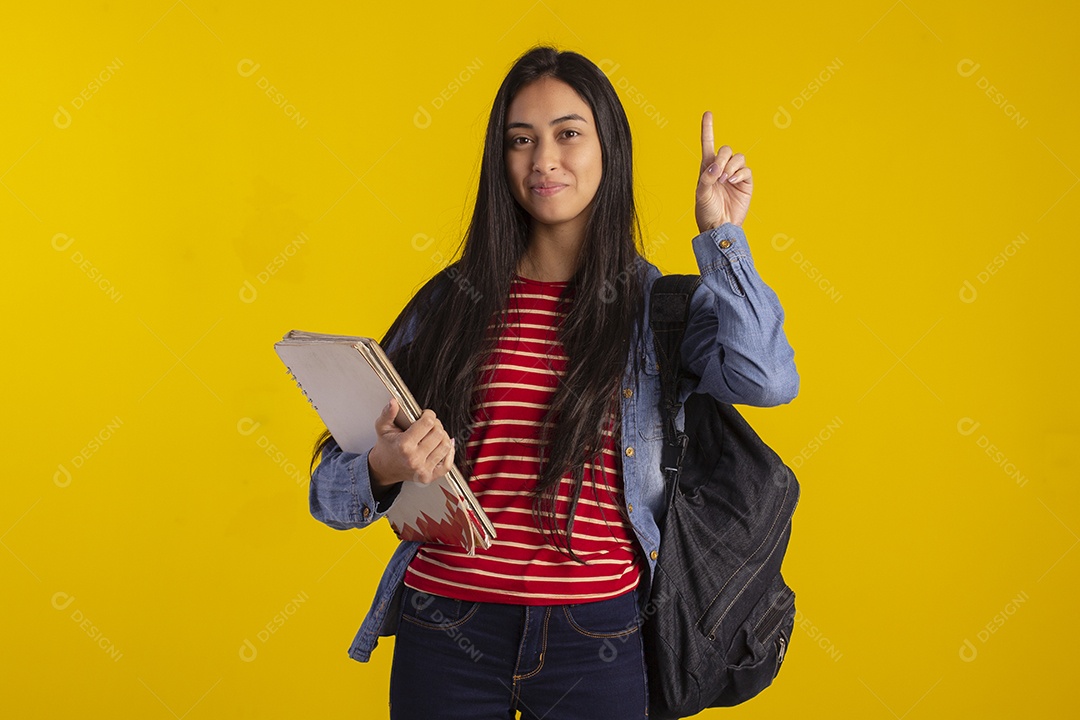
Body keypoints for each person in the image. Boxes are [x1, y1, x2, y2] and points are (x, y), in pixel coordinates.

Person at [307, 44, 798, 720]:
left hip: (595, 635)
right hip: (445, 628)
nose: (543, 160)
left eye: (568, 134)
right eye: (520, 140)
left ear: (609, 150)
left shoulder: (657, 310)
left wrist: (720, 237)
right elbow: (327, 490)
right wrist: (386, 466)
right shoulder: (451, 304)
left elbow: (765, 378)